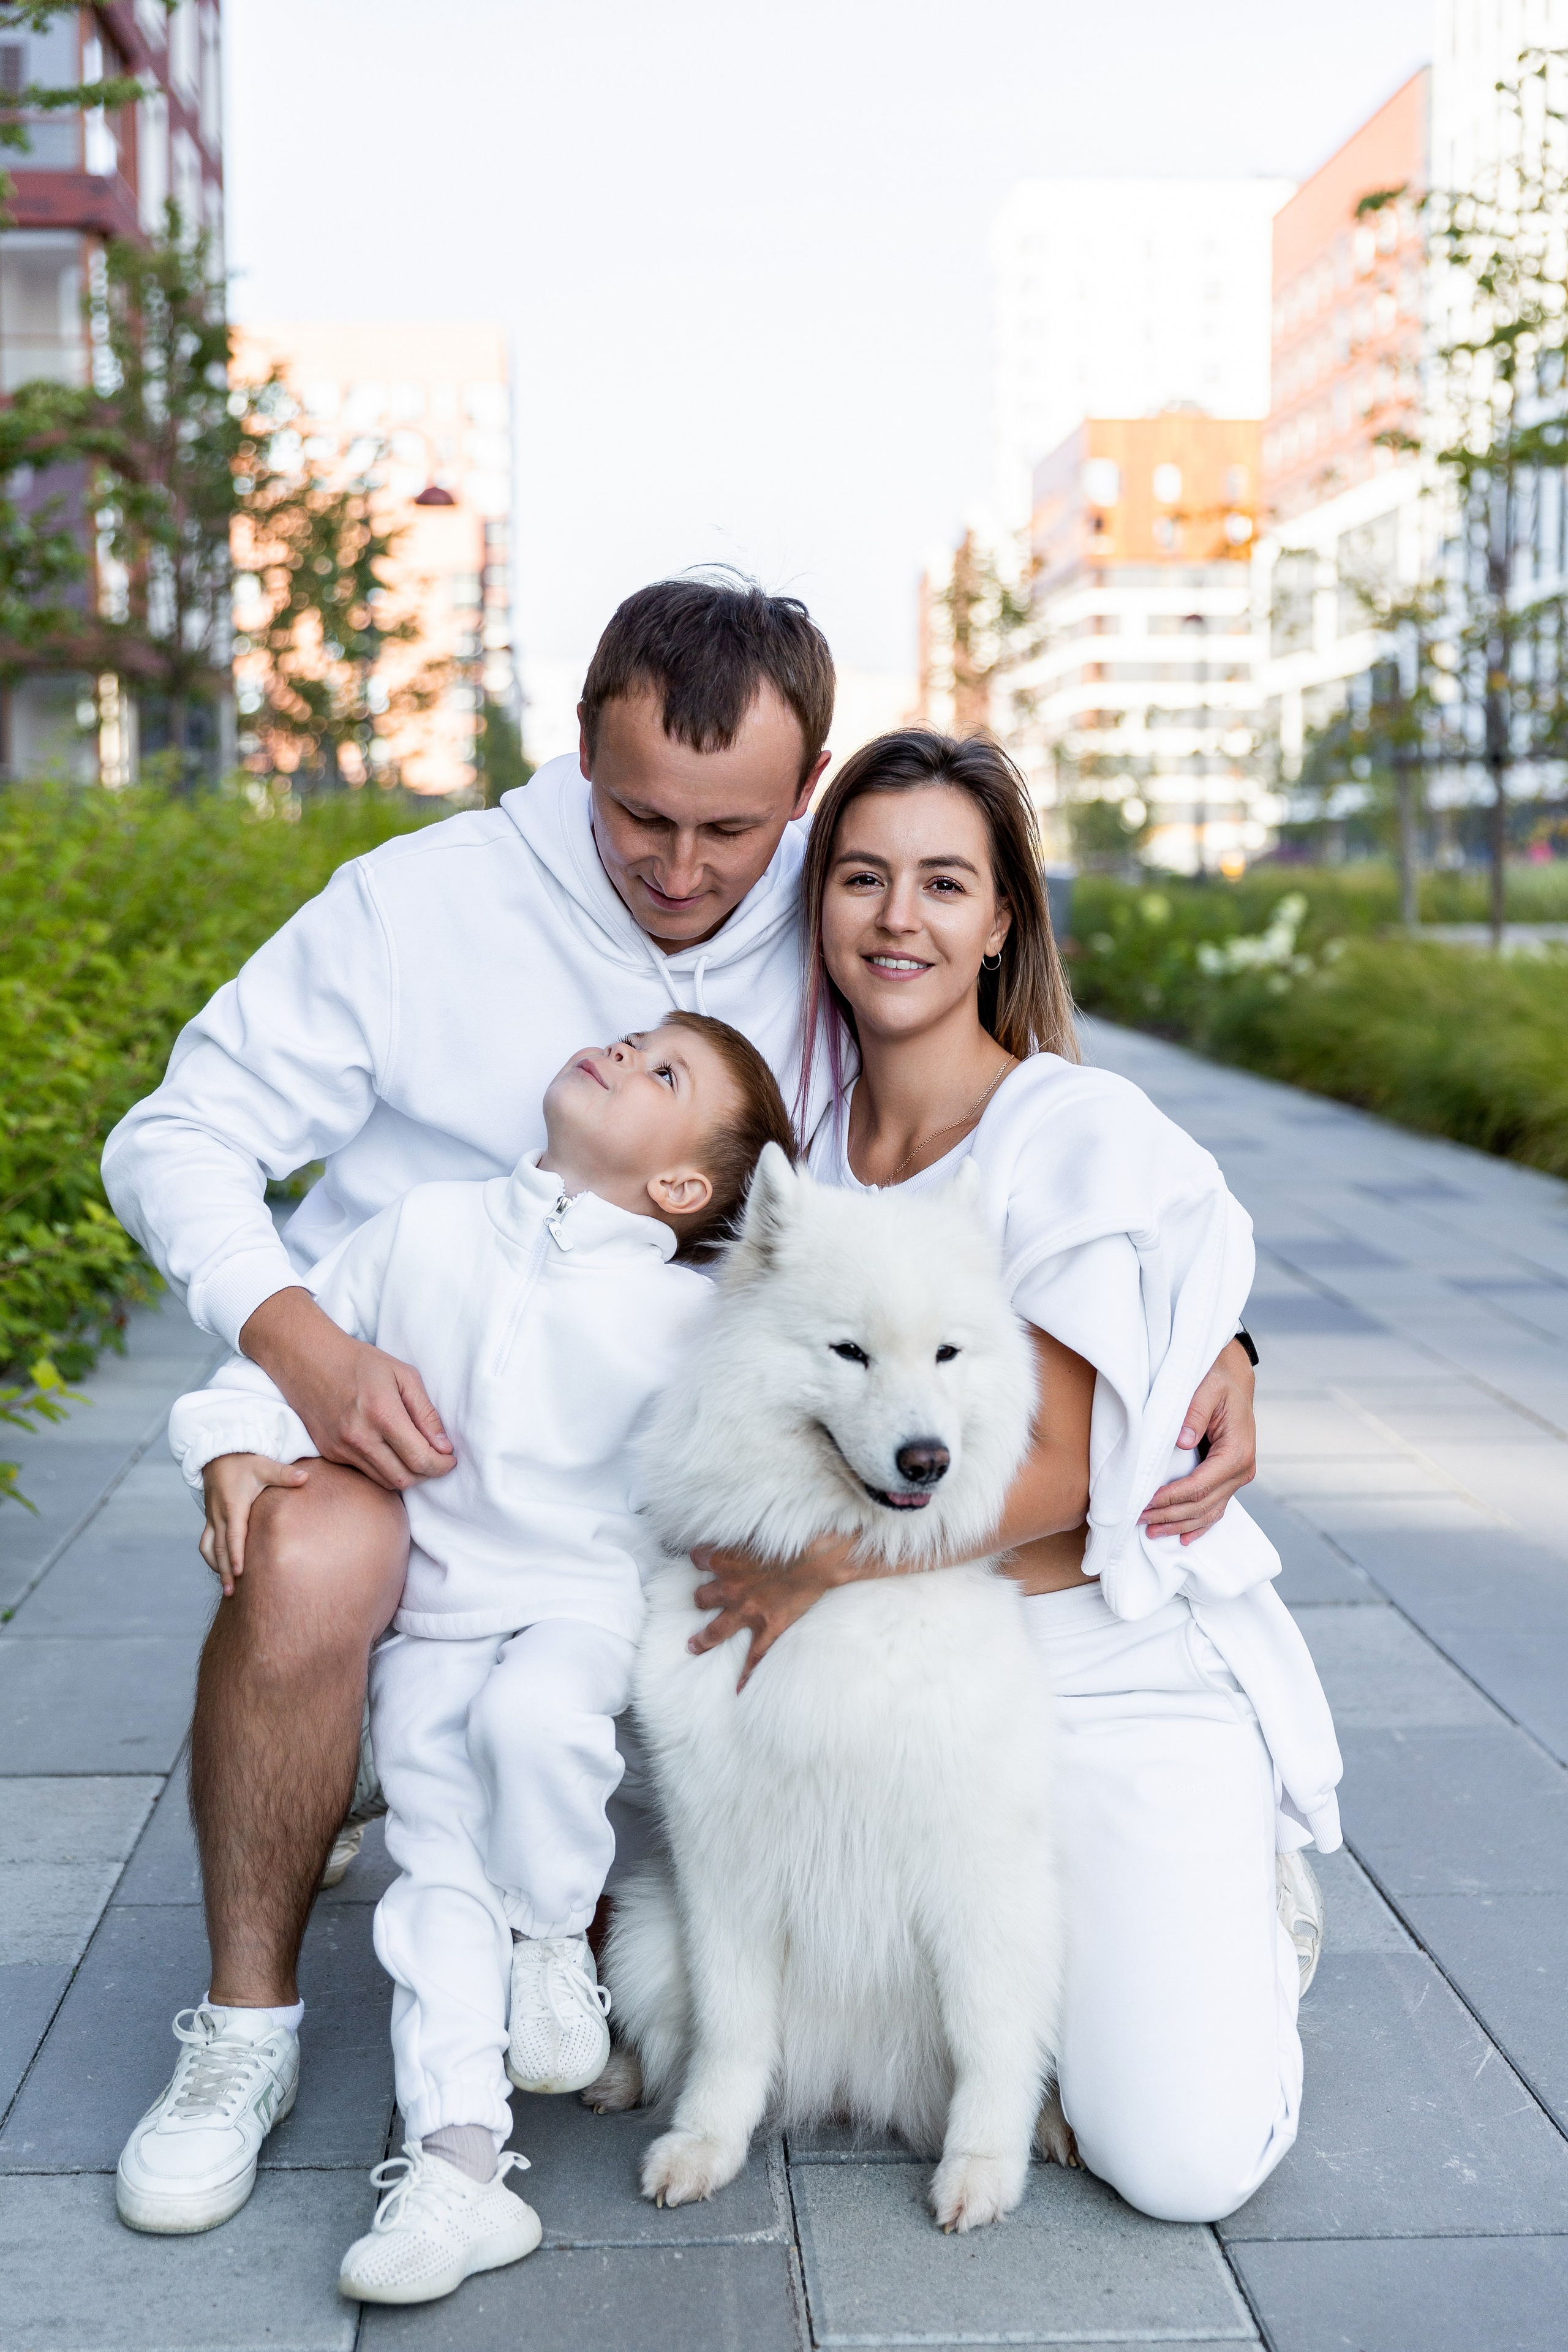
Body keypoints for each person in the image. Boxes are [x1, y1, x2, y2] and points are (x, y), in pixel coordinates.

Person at [100, 575, 1259, 2231]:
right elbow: (173, 1136)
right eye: (642, 814)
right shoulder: (419, 905)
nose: (683, 868)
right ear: (582, 750)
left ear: (799, 798)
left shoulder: (828, 904)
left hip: (633, 1468)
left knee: (672, 1697)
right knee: (313, 1573)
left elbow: (1018, 1170)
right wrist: (294, 1353)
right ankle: (247, 2025)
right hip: (400, 1407)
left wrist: (1211, 1343)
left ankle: (562, 1917)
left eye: (734, 831)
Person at [687, 728, 1341, 2225]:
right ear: (817, 907)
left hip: (1095, 1673)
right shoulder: (787, 1143)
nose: (895, 917)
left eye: (940, 882)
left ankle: (1242, 1916)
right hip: (890, 1689)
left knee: (1173, 2163)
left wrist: (811, 1566)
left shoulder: (1069, 1124)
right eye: (860, 878)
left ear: (1001, 921)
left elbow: (1053, 1468)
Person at [127, 1014, 793, 2297]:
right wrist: (226, 1441)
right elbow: (299, 1362)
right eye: (635, 1037)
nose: (624, 1049)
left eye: (665, 1073)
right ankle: (459, 2170)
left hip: (580, 1606)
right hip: (436, 1617)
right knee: (431, 1874)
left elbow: (753, 1459)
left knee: (537, 1724)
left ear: (678, 1192)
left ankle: (548, 1939)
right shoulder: (421, 1229)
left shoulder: (682, 1317)